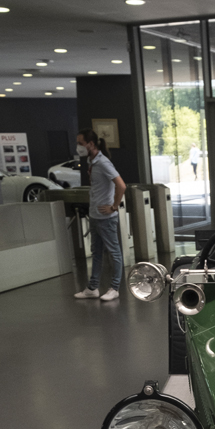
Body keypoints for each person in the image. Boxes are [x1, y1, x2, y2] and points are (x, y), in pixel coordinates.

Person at [73, 129, 127, 302]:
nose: (78, 147)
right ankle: (93, 288)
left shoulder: (103, 163)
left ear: (91, 144)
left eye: (81, 143)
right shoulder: (93, 162)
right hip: (95, 216)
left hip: (106, 218)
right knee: (96, 252)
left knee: (114, 252)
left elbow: (121, 185)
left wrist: (114, 206)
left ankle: (115, 288)